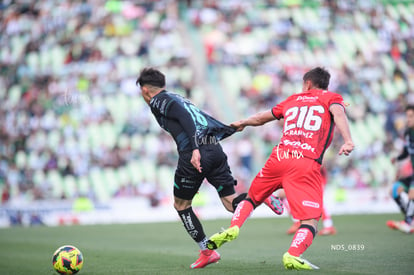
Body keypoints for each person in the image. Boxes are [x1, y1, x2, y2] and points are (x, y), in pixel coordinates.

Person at [206, 67, 354, 270]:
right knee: (310, 219)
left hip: (279, 156)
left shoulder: (292, 99)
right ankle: (293, 254)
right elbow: (339, 113)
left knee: (251, 198)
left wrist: (243, 122)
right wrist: (347, 141)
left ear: (308, 84)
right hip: (305, 160)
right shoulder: (332, 98)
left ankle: (234, 226)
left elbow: (261, 117)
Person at [136, 68, 284, 269]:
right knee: (231, 203)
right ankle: (261, 196)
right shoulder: (179, 98)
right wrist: (228, 129)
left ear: (145, 90)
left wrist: (195, 149)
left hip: (195, 153)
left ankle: (207, 251)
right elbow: (200, 119)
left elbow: (186, 119)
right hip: (214, 149)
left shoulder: (159, 100)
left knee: (181, 205)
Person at [281, 167, 337, 236]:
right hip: (304, 178)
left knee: (317, 202)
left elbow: (321, 164)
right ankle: (297, 222)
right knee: (287, 196)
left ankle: (329, 226)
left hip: (316, 179)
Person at [387, 105, 414, 234]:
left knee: (412, 193)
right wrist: (396, 158)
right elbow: (406, 153)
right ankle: (410, 219)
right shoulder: (408, 133)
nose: (408, 119)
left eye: (411, 116)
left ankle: (408, 223)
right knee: (394, 190)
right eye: (407, 116)